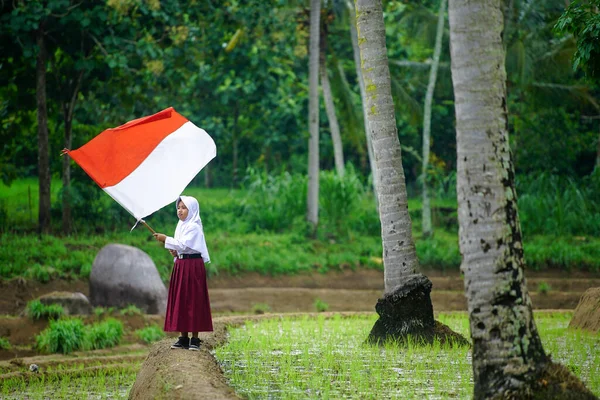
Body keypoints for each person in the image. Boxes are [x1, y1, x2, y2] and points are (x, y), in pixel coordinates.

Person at [153, 195, 213, 350]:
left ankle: (195, 339)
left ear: (191, 210)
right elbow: (181, 247)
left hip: (192, 266)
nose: (180, 211)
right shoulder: (180, 225)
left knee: (193, 300)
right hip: (181, 265)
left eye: (184, 208)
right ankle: (183, 337)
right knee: (181, 299)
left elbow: (183, 244)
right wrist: (175, 251)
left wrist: (165, 239)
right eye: (178, 208)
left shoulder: (194, 226)